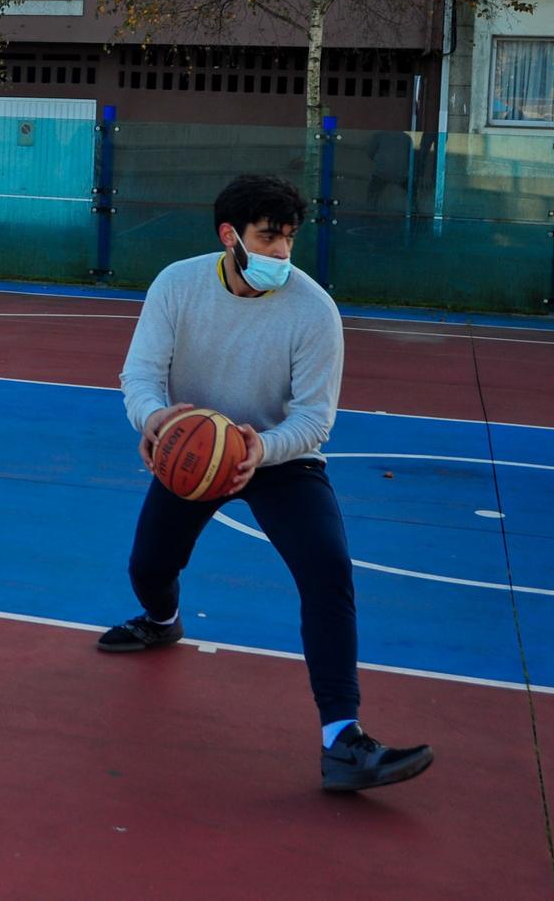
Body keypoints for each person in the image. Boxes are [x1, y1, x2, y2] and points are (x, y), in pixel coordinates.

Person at [101, 173, 433, 793]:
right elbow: (140, 373)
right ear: (231, 237)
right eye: (269, 237)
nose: (282, 252)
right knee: (148, 567)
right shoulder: (178, 285)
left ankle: (343, 739)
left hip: (278, 459)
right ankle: (163, 619)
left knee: (328, 569)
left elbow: (316, 417)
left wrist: (263, 447)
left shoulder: (313, 310)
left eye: (289, 239)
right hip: (196, 450)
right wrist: (154, 419)